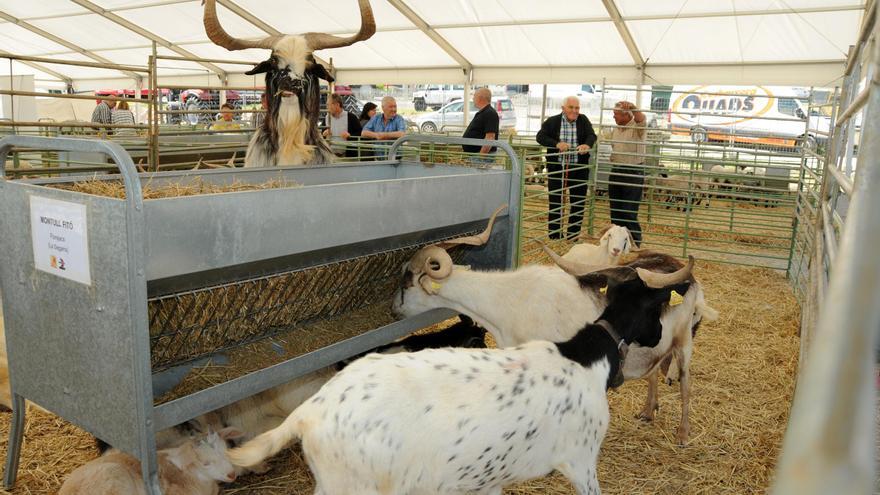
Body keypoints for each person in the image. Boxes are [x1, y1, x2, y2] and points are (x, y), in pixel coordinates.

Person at [536, 96, 597, 240]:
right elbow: (540, 137)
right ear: (563, 108)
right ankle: (555, 236)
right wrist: (556, 143)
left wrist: (587, 145)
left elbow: (592, 135)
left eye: (577, 108)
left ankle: (572, 236)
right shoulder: (552, 121)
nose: (575, 111)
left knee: (578, 202)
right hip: (558, 168)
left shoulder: (583, 120)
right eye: (571, 107)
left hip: (579, 168)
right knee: (556, 201)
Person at [604, 100, 647, 246]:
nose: (614, 117)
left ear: (626, 115)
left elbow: (641, 118)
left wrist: (634, 107)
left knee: (628, 211)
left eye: (616, 114)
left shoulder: (637, 127)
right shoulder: (616, 129)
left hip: (633, 171)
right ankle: (617, 243)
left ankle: (634, 243)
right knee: (615, 210)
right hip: (616, 170)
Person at [461, 87, 499, 165]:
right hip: (476, 155)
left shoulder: (490, 113)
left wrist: (480, 158)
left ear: (480, 98)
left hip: (481, 157)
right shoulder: (485, 112)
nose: (473, 98)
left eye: (474, 96)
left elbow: (490, 138)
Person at [322, 93, 363, 158]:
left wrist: (350, 136)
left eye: (328, 105)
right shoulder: (327, 117)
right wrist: (324, 134)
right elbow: (322, 134)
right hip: (330, 156)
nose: (327, 107)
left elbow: (360, 133)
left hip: (348, 156)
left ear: (337, 105)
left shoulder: (351, 117)